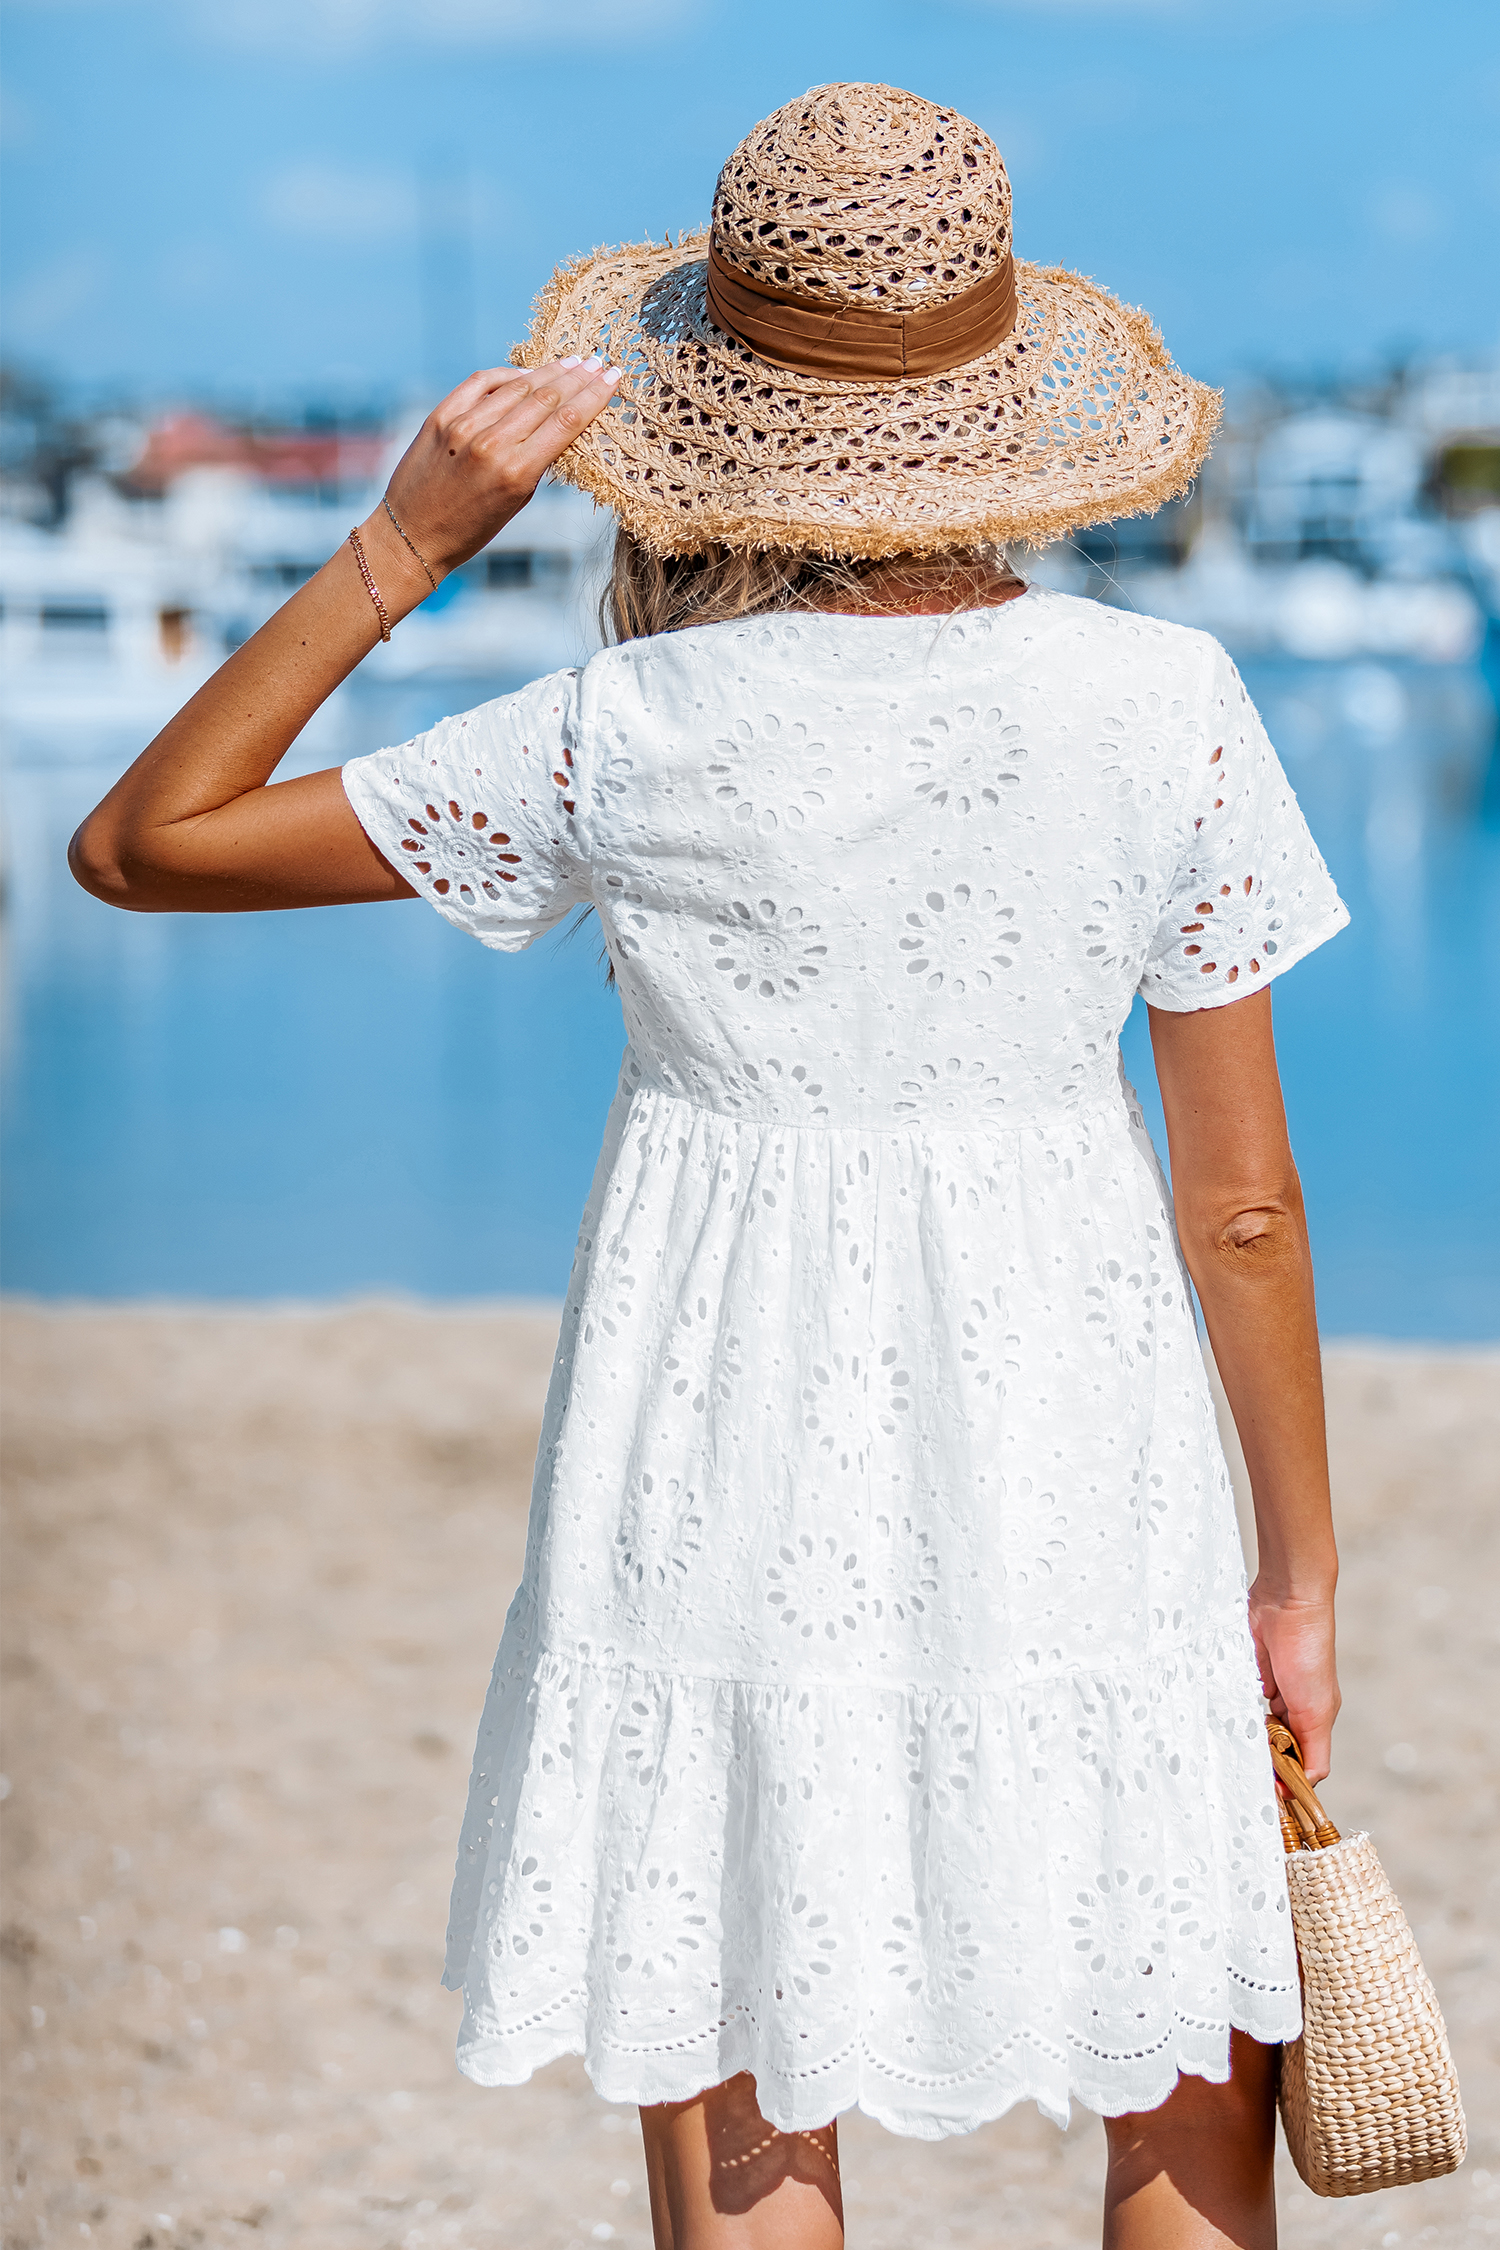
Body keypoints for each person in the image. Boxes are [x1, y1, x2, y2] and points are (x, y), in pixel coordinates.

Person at [71, 83, 1345, 2250]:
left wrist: (402, 545)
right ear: (1005, 385)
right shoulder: (1168, 699)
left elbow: (144, 844)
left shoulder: (624, 729)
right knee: (1176, 2065)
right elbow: (1241, 1209)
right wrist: (1299, 1584)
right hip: (1080, 1427)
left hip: (716, 1433)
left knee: (748, 2054)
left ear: (719, 407)